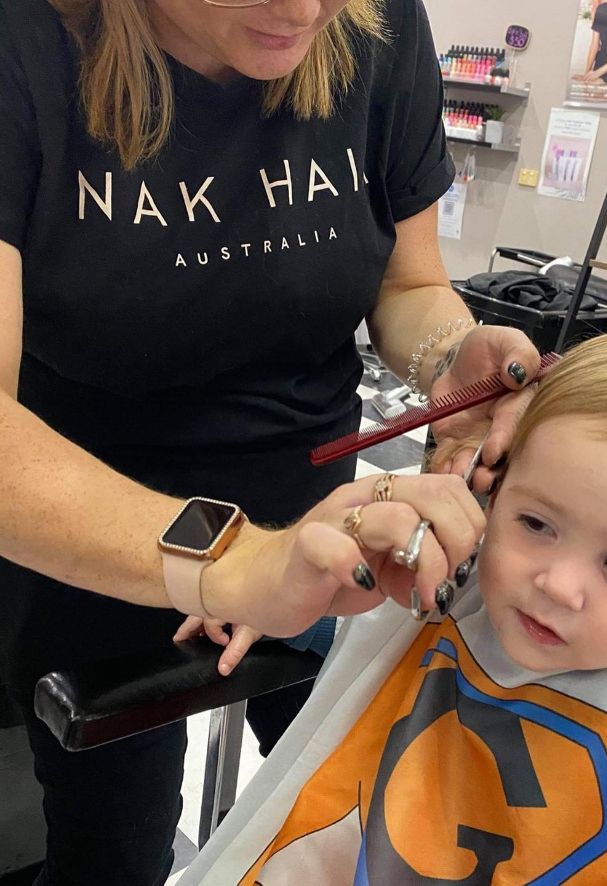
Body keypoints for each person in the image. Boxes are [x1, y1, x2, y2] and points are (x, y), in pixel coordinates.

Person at [0, 0, 538, 882]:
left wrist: (450, 361)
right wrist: (234, 562)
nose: (302, 11)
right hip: (84, 520)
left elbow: (408, 283)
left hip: (326, 522)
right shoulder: (24, 38)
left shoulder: (377, 26)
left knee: (366, 825)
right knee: (113, 849)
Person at [180, 333, 607, 885]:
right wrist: (272, 601)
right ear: (495, 491)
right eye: (536, 524)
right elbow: (340, 609)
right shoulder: (450, 592)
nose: (558, 584)